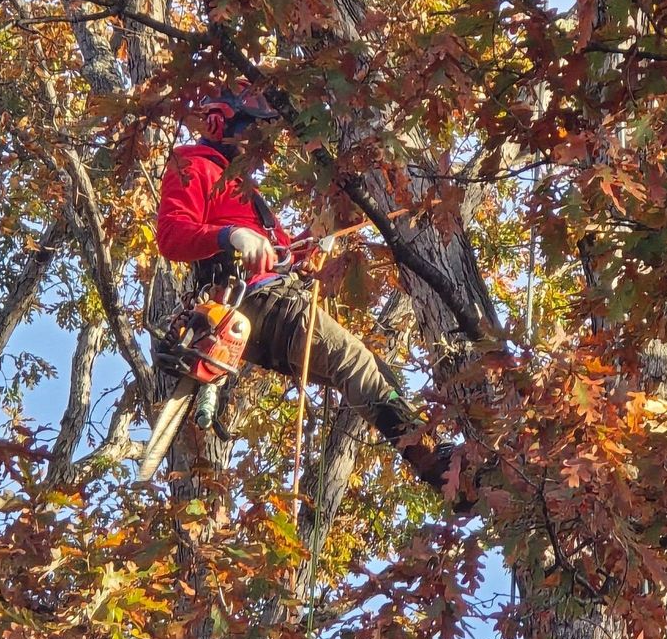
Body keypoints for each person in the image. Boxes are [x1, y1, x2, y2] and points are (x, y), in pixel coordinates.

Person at [154, 83, 455, 491]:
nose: (256, 142)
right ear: (219, 123)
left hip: (272, 304)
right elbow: (172, 235)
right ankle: (432, 461)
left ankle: (436, 465)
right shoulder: (192, 165)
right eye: (249, 129)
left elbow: (283, 255)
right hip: (256, 300)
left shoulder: (245, 191)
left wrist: (316, 235)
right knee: (355, 362)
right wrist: (230, 236)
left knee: (373, 373)